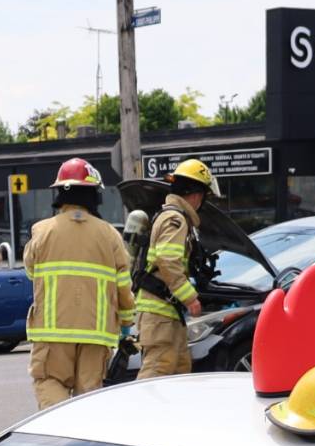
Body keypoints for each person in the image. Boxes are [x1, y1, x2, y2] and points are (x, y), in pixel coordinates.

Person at [21, 158, 134, 408]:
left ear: (59, 193)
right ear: (94, 195)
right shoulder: (110, 234)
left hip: (53, 331)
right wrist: (127, 323)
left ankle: (60, 435)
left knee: (49, 381)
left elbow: (30, 270)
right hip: (96, 333)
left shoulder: (42, 230)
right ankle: (81, 440)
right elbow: (124, 286)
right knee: (88, 395)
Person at [134, 160, 213, 379]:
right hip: (159, 313)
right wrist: (190, 298)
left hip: (168, 313)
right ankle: (136, 414)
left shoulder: (173, 216)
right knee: (156, 374)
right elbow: (168, 260)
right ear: (196, 195)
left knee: (179, 373)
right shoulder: (175, 219)